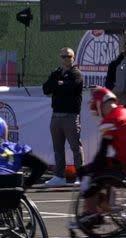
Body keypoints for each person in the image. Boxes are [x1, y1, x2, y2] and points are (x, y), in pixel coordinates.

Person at [76, 87, 126, 229]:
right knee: (104, 167)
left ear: (99, 104)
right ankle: (103, 203)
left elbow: (102, 154)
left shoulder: (112, 120)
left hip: (125, 167)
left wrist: (87, 174)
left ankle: (91, 212)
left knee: (87, 172)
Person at [42, 47, 84, 187]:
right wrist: (58, 84)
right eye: (63, 56)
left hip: (70, 116)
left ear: (73, 57)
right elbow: (46, 89)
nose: (66, 59)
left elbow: (70, 89)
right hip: (56, 115)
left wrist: (58, 85)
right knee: (58, 148)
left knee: (75, 147)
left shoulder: (76, 73)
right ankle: (59, 176)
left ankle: (81, 175)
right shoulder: (56, 73)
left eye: (68, 56)